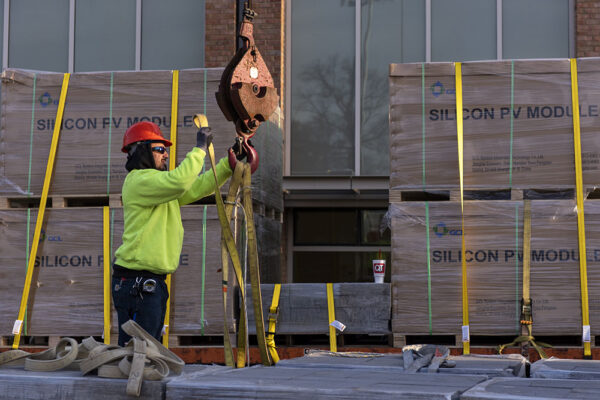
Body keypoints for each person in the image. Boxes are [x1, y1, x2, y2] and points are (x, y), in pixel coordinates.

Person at [112, 121, 249, 346]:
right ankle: (133, 380)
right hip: (137, 280)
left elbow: (195, 187)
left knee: (146, 350)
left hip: (147, 280)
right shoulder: (138, 181)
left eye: (166, 150)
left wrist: (229, 164)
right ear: (141, 150)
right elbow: (180, 181)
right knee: (139, 352)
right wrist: (199, 149)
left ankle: (139, 379)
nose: (166, 155)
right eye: (160, 149)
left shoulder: (158, 187)